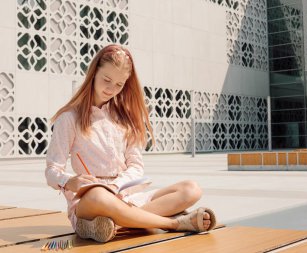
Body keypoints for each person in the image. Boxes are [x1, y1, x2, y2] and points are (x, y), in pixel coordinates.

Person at [45, 44, 216, 243]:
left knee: (191, 189)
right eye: (106, 80)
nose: (111, 89)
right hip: (90, 201)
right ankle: (173, 223)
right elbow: (51, 170)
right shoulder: (69, 118)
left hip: (126, 197)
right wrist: (69, 181)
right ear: (93, 73)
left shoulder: (125, 119)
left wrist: (117, 186)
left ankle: (112, 224)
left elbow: (136, 166)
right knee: (99, 196)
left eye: (119, 85)